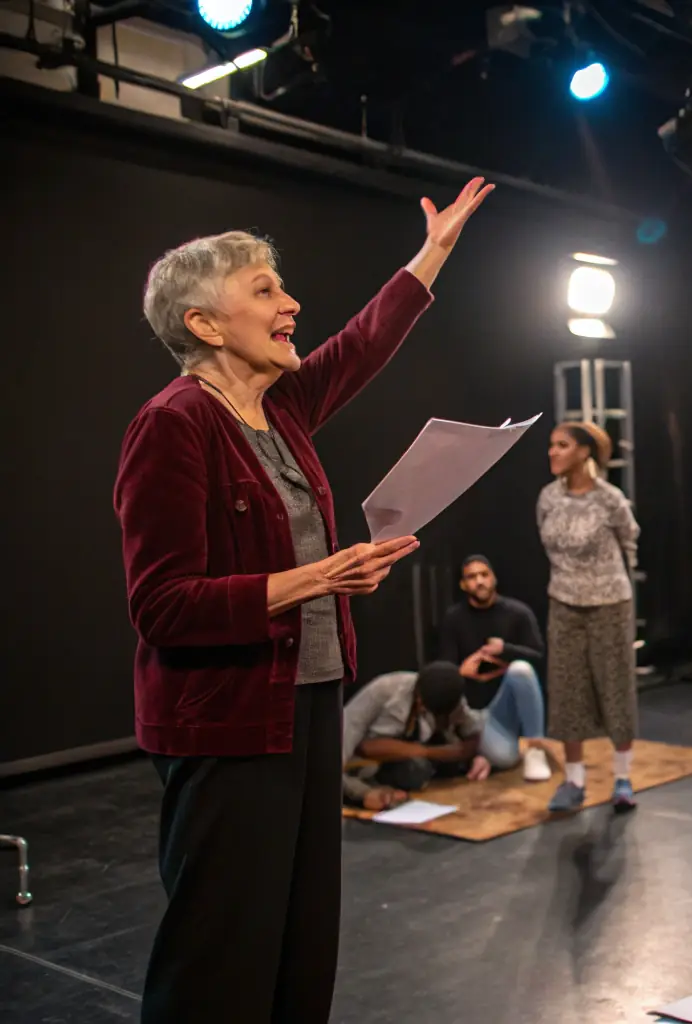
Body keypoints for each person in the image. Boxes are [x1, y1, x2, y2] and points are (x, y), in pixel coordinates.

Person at [113, 176, 494, 1024]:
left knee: (300, 935)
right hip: (228, 723)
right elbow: (164, 605)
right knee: (220, 951)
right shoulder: (174, 424)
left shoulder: (278, 409)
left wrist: (432, 254)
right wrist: (320, 577)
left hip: (310, 702)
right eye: (265, 291)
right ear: (203, 325)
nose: (291, 303)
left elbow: (361, 343)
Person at [538, 421, 641, 813]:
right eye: (551, 445)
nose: (552, 452)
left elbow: (629, 538)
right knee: (567, 688)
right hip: (563, 602)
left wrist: (607, 580)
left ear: (584, 452)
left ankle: (622, 777)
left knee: (614, 686)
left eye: (561, 445)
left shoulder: (609, 498)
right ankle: (574, 779)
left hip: (609, 603)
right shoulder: (547, 498)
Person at [341, 659, 549, 807]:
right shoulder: (384, 691)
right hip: (364, 764)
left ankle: (535, 748)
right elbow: (336, 758)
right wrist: (362, 794)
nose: (424, 710)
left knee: (502, 756)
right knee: (414, 771)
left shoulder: (451, 702)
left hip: (419, 759)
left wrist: (479, 755)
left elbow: (470, 731)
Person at [438, 554, 549, 764]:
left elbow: (539, 658)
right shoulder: (453, 619)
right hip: (475, 715)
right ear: (463, 584)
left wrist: (505, 649)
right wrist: (460, 673)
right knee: (504, 759)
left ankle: (536, 750)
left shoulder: (518, 613)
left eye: (484, 575)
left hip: (508, 707)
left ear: (494, 578)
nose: (479, 581)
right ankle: (488, 751)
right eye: (472, 577)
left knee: (521, 669)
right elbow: (443, 670)